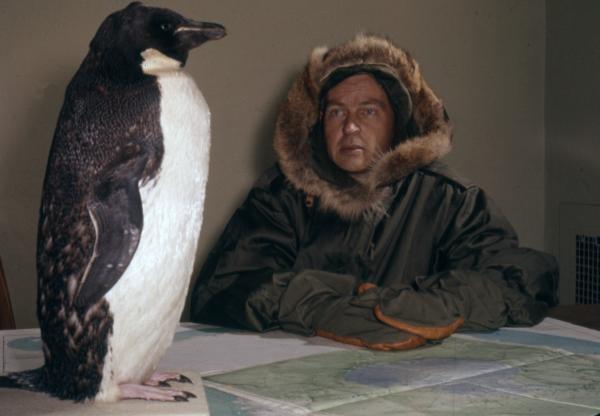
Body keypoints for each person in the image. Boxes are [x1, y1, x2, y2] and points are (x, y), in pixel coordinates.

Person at [190, 34, 558, 351]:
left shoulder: (448, 200)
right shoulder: (282, 195)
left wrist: (435, 303)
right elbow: (221, 289)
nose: (350, 126)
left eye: (368, 111)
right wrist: (327, 306)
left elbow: (524, 277)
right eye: (336, 112)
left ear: (397, 122)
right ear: (319, 124)